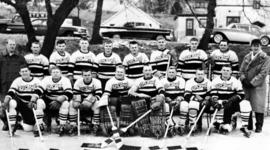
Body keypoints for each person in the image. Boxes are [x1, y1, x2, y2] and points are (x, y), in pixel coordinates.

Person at [1, 65, 45, 136]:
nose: (24, 73)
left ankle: (39, 124)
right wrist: (6, 101)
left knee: (40, 102)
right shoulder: (17, 80)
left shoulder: (37, 80)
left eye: (26, 71)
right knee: (11, 102)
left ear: (30, 72)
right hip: (22, 103)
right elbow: (11, 91)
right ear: (20, 73)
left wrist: (33, 100)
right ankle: (12, 125)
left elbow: (39, 91)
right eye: (22, 71)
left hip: (33, 103)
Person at [211, 65, 252, 138]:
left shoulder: (235, 81)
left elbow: (241, 94)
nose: (225, 72)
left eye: (227, 70)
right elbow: (213, 93)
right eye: (224, 70)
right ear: (221, 71)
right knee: (225, 126)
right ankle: (222, 124)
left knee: (246, 104)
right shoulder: (215, 80)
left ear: (231, 72)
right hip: (221, 101)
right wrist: (216, 101)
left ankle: (244, 126)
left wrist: (232, 99)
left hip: (233, 102)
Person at [128, 65, 169, 138]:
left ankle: (157, 128)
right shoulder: (139, 80)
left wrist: (159, 100)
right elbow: (130, 92)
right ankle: (144, 128)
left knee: (157, 108)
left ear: (152, 71)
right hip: (142, 100)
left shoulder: (156, 79)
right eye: (146, 70)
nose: (148, 72)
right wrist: (140, 95)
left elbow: (162, 91)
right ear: (143, 72)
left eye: (149, 70)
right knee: (136, 103)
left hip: (153, 99)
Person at [239, 39, 270, 133]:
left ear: (261, 46)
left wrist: (253, 83)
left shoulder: (266, 58)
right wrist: (243, 79)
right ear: (251, 47)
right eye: (254, 45)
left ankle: (259, 126)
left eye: (257, 45)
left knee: (258, 105)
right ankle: (249, 125)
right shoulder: (247, 57)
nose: (255, 47)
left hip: (258, 85)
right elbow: (242, 70)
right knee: (246, 104)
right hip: (246, 84)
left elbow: (263, 73)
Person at [99, 65, 134, 136]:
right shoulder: (110, 81)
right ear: (115, 72)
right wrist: (104, 99)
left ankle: (125, 126)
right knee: (111, 106)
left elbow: (133, 92)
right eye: (118, 72)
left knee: (126, 104)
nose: (119, 73)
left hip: (125, 99)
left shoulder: (130, 81)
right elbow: (106, 93)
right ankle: (110, 127)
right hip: (113, 99)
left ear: (124, 73)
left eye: (121, 72)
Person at [0, 39, 27, 131]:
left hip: (16, 88)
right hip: (3, 87)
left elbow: (25, 71)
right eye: (10, 44)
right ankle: (6, 122)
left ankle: (15, 123)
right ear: (6, 45)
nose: (12, 46)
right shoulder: (1, 57)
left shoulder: (20, 58)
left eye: (14, 45)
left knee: (15, 105)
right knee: (3, 107)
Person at [69, 69, 102, 135]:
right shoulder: (78, 81)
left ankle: (96, 124)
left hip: (92, 100)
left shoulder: (97, 81)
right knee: (71, 103)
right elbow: (75, 93)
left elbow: (99, 94)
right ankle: (73, 125)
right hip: (81, 99)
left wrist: (90, 100)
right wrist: (78, 101)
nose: (87, 77)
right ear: (82, 76)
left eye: (89, 75)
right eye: (85, 75)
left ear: (91, 75)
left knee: (97, 104)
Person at [41, 66, 73, 136]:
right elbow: (40, 90)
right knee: (39, 102)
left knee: (66, 103)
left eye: (57, 72)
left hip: (60, 99)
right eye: (53, 72)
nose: (55, 74)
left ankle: (62, 125)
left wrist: (59, 101)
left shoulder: (65, 80)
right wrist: (34, 97)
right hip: (48, 100)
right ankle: (40, 125)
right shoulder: (46, 79)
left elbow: (69, 93)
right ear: (50, 73)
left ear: (61, 73)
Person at [181, 69, 211, 134]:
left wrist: (206, 98)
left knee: (202, 105)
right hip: (194, 100)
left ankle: (198, 124)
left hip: (204, 101)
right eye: (198, 74)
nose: (200, 76)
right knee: (192, 104)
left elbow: (210, 93)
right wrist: (197, 98)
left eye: (201, 74)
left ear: (204, 75)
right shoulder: (189, 82)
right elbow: (186, 95)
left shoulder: (208, 82)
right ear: (195, 75)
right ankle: (191, 123)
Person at [158, 66, 185, 136]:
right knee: (165, 106)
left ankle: (181, 125)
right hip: (167, 100)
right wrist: (167, 99)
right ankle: (170, 125)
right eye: (169, 72)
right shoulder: (162, 81)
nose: (171, 74)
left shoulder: (181, 80)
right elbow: (161, 93)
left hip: (178, 100)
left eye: (173, 72)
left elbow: (182, 93)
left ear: (176, 73)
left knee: (184, 105)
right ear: (167, 73)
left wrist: (178, 100)